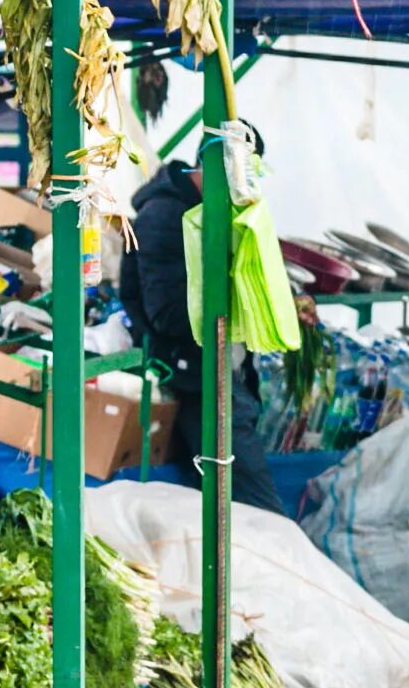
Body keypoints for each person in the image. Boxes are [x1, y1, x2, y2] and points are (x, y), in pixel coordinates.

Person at [122, 158, 288, 516]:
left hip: (222, 376)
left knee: (240, 504)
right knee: (260, 508)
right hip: (198, 380)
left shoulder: (206, 211)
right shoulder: (165, 217)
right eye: (248, 177)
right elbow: (165, 313)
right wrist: (238, 296)